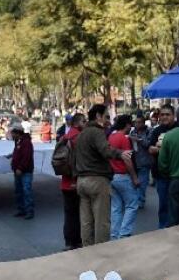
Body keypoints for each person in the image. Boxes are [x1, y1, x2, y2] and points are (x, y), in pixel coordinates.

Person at [74, 104, 134, 246]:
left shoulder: (82, 134)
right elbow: (105, 150)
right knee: (102, 221)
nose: (109, 121)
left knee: (86, 222)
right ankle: (102, 253)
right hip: (97, 180)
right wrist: (120, 153)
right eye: (107, 116)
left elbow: (74, 158)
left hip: (82, 181)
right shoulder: (96, 132)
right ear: (98, 116)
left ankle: (87, 250)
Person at [107, 114, 140, 238]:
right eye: (130, 123)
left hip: (112, 176)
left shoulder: (111, 136)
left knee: (116, 207)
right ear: (127, 125)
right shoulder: (123, 139)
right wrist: (135, 178)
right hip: (122, 175)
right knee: (132, 204)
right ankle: (124, 233)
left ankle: (114, 235)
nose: (131, 125)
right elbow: (127, 160)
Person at [59, 114, 84, 250]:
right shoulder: (78, 137)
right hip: (76, 181)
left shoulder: (66, 136)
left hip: (65, 182)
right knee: (79, 213)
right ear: (77, 123)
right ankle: (78, 240)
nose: (85, 123)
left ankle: (69, 241)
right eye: (83, 121)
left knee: (69, 214)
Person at [147, 106, 176, 228]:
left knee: (176, 205)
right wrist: (158, 149)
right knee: (163, 204)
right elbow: (150, 148)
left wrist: (161, 148)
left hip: (176, 174)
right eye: (162, 114)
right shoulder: (156, 130)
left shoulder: (178, 129)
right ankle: (163, 229)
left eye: (167, 114)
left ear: (173, 115)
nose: (164, 117)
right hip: (161, 175)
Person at [10, 123, 35, 220]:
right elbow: (17, 153)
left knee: (26, 190)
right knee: (19, 191)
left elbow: (27, 157)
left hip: (25, 171)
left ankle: (29, 211)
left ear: (17, 133)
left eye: (12, 133)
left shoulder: (26, 142)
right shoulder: (18, 141)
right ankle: (21, 209)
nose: (11, 135)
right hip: (18, 170)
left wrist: (20, 168)